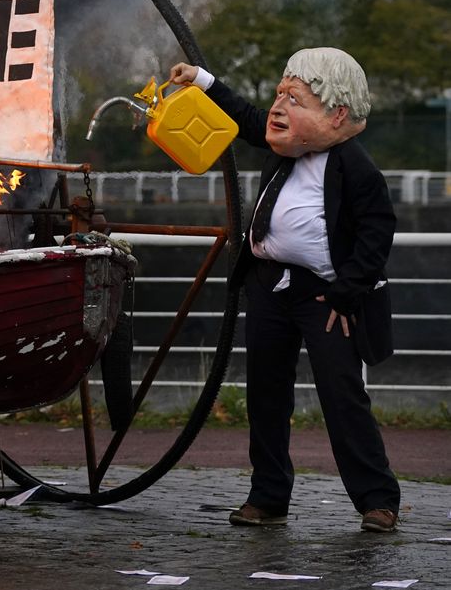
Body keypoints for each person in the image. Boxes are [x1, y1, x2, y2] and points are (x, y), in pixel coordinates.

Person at [169, 48, 400, 532]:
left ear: (337, 115)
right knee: (266, 394)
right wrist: (201, 80)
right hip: (270, 286)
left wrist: (347, 292)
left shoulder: (356, 169)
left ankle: (377, 498)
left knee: (342, 395)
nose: (277, 107)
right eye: (279, 93)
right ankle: (269, 495)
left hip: (326, 298)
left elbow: (376, 235)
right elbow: (249, 118)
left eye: (294, 99)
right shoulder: (282, 145)